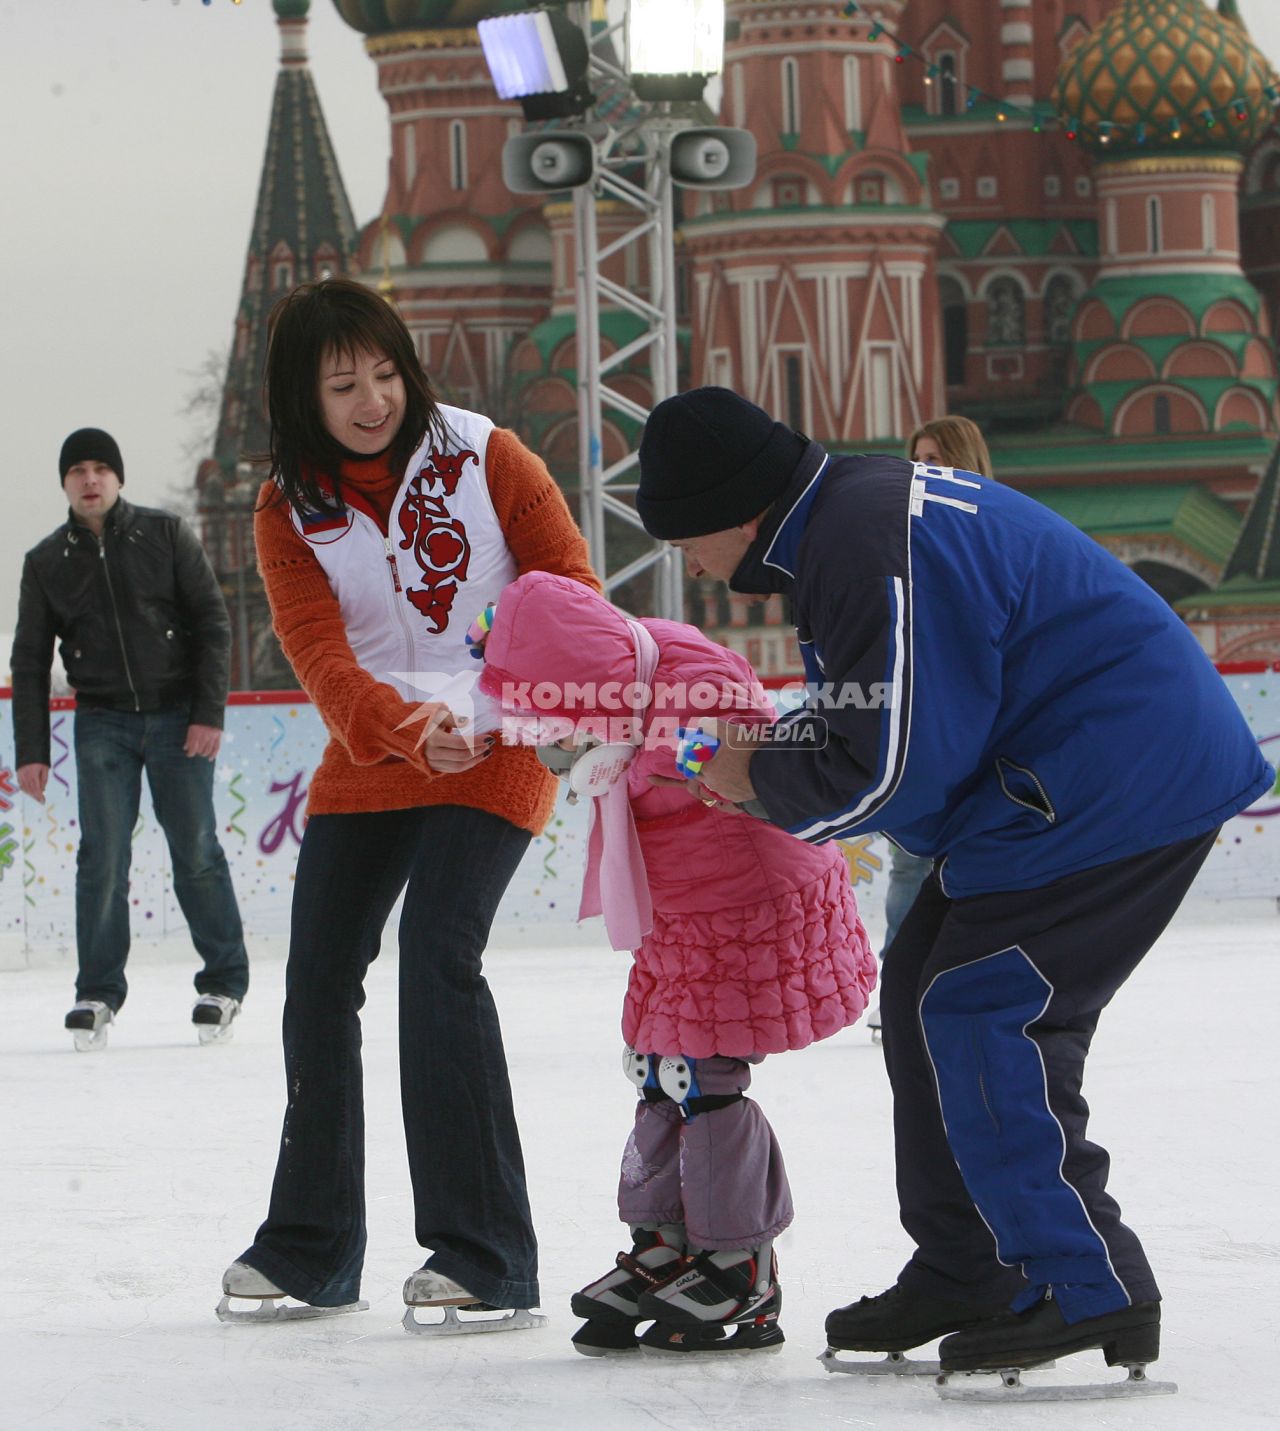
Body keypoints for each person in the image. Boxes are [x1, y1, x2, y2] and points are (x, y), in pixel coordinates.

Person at [633, 386, 1273, 1380]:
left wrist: (754, 774)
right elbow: (889, 717)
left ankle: (1087, 1282)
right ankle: (963, 1264)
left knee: (983, 1008)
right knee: (921, 984)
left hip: (1118, 781)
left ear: (731, 508)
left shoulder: (852, 539)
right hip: (1070, 776)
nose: (689, 563)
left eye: (682, 537)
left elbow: (893, 768)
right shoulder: (847, 518)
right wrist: (768, 750)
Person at [217, 278, 597, 1331]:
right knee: (318, 982)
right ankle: (311, 1249)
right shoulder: (286, 505)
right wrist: (397, 727)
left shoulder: (486, 454)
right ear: (304, 394)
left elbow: (567, 586)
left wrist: (521, 700)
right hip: (374, 753)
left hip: (497, 740)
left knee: (440, 954)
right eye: (343, 384)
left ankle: (484, 1254)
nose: (372, 399)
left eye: (385, 373)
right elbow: (318, 655)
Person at [475, 569, 876, 1356]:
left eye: (558, 730)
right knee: (657, 1069)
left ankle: (741, 1261)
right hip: (678, 910)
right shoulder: (619, 682)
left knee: (706, 1077)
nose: (554, 755)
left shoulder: (690, 687)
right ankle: (666, 1243)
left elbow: (745, 744)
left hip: (744, 906)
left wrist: (679, 749)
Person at [11, 428, 248, 1053]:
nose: (90, 480)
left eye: (100, 469)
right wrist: (31, 751)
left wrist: (208, 713)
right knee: (103, 856)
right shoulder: (45, 563)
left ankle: (223, 982)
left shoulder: (164, 535)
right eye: (78, 471)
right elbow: (30, 661)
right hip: (102, 721)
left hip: (178, 717)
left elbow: (211, 623)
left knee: (195, 848)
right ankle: (96, 993)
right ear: (65, 483)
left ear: (118, 478)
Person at [870, 416, 996, 1038]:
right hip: (917, 717)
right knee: (909, 864)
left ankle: (968, 982)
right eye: (918, 457)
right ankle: (899, 984)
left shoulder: (996, 524)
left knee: (977, 862)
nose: (925, 469)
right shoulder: (900, 530)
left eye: (938, 458)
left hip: (980, 720)